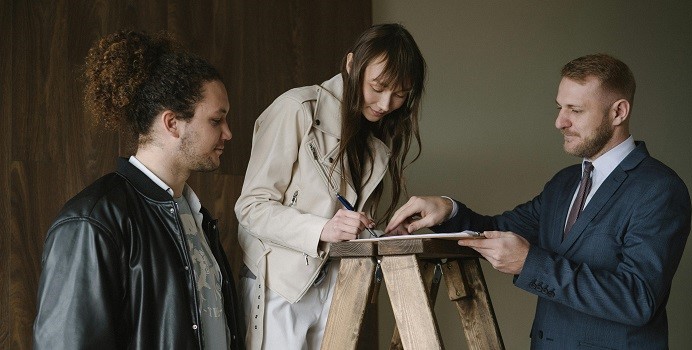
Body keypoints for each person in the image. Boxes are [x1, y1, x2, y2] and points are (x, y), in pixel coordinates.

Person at [386, 53, 691, 349]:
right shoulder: (563, 183)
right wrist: (447, 209)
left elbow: (637, 299)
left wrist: (531, 263)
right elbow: (497, 230)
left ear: (618, 112)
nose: (560, 122)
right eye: (560, 107)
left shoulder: (659, 189)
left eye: (575, 110)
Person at [33, 30, 244, 349]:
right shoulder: (92, 222)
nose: (228, 133)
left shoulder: (195, 216)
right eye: (217, 120)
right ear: (173, 123)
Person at [234, 23, 426, 349]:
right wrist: (323, 229)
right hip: (279, 285)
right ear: (351, 65)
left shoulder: (376, 142)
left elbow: (348, 223)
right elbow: (251, 208)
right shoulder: (296, 109)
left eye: (400, 94)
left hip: (337, 289)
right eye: (378, 87)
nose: (385, 102)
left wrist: (380, 236)